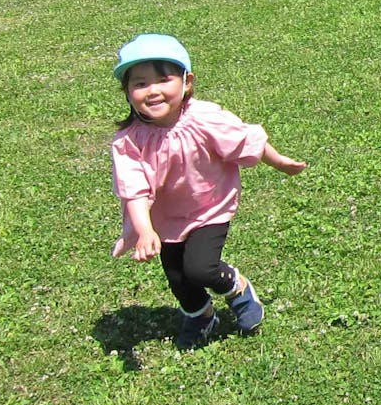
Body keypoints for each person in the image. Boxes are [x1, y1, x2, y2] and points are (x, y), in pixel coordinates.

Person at [109, 34, 307, 350]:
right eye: (141, 83)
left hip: (209, 208)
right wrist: (145, 230)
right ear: (128, 92)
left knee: (200, 268)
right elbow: (133, 189)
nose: (153, 90)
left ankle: (236, 288)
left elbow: (245, 140)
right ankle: (201, 315)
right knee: (179, 280)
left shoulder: (205, 118)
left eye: (164, 79)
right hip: (165, 220)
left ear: (187, 82)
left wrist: (280, 163)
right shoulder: (130, 142)